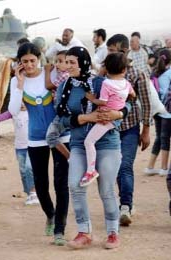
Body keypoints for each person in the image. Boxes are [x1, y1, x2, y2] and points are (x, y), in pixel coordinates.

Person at [55, 46, 127, 250]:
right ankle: (84, 231)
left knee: (106, 189)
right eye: (65, 62)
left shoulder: (100, 82)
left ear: (83, 62)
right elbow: (60, 118)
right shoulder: (64, 87)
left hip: (107, 143)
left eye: (72, 62)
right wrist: (86, 118)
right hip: (78, 143)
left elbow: (127, 104)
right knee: (75, 185)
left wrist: (117, 115)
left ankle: (113, 232)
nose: (67, 67)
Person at [8, 43, 69, 246]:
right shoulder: (17, 81)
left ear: (39, 59)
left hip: (60, 136)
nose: (29, 64)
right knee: (41, 185)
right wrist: (19, 84)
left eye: (32, 60)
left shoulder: (50, 75)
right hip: (35, 138)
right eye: (24, 61)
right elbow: (14, 109)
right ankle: (50, 214)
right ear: (19, 63)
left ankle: (60, 228)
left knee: (61, 183)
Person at [106, 34, 151, 226]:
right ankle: (124, 201)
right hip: (110, 129)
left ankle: (125, 206)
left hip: (131, 128)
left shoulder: (137, 75)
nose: (108, 54)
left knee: (125, 166)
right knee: (116, 167)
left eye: (111, 51)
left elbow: (147, 104)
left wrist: (146, 130)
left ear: (123, 50)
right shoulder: (104, 74)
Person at [81, 53, 136, 187]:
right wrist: (121, 103)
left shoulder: (106, 83)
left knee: (89, 141)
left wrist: (92, 99)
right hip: (116, 118)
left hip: (105, 117)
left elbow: (102, 102)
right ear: (124, 70)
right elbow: (133, 96)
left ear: (106, 69)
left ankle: (90, 170)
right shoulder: (126, 83)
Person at [0, 104, 39, 205]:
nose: (22, 103)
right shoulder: (13, 111)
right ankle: (29, 194)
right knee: (23, 171)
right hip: (19, 146)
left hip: (32, 144)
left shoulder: (33, 110)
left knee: (29, 168)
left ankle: (34, 193)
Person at [145, 49, 171, 176]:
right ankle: (164, 168)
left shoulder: (154, 72)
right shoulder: (169, 73)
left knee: (160, 138)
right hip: (167, 111)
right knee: (165, 138)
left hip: (157, 110)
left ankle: (150, 166)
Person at [44, 50, 70, 159]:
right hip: (63, 111)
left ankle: (70, 158)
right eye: (56, 61)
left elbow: (49, 86)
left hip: (63, 113)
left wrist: (47, 71)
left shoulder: (64, 76)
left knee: (51, 137)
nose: (57, 64)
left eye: (60, 61)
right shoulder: (64, 75)